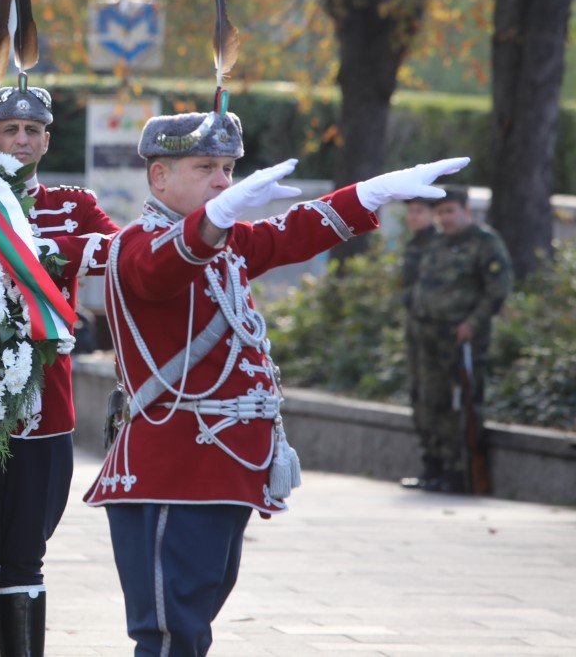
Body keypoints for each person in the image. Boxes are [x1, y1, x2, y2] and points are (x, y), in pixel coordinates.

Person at [85, 106, 468, 657]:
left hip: (225, 467)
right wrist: (215, 219)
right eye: (205, 167)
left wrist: (372, 193)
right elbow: (162, 268)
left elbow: (293, 232)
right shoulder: (140, 246)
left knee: (195, 623)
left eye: (227, 168)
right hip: (174, 468)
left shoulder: (223, 242)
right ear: (159, 176)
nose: (222, 180)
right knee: (172, 631)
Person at [0, 82, 119, 657]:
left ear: (46, 139)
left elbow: (119, 251)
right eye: (9, 129)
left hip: (46, 399)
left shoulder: (73, 204)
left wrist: (43, 246)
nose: (21, 140)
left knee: (28, 548)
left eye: (32, 130)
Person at [405, 187, 512, 493]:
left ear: (467, 210)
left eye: (450, 211)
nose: (445, 219)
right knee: (429, 401)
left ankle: (460, 472)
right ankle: (434, 467)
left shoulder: (485, 243)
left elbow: (497, 289)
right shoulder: (436, 244)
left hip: (461, 339)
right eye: (440, 213)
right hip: (427, 338)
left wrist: (472, 323)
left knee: (460, 404)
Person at [399, 197, 438, 490]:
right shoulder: (414, 244)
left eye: (419, 211)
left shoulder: (440, 245)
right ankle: (430, 467)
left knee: (438, 399)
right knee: (418, 396)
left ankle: (447, 469)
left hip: (438, 337)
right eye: (410, 211)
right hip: (416, 333)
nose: (413, 217)